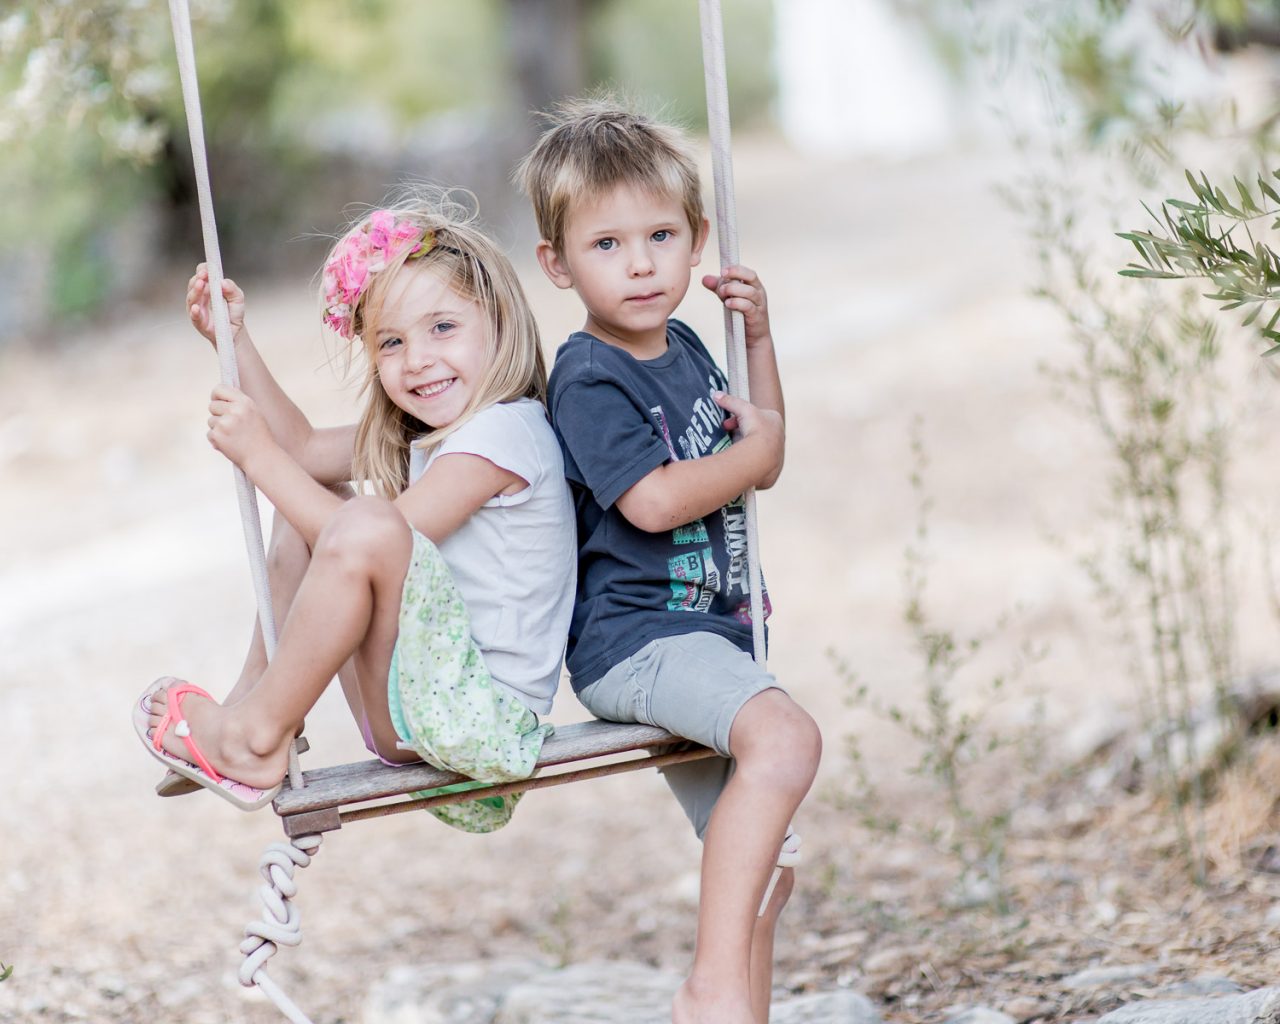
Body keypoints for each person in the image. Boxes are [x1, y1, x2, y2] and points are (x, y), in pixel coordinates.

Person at [133, 190, 576, 831]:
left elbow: (375, 542)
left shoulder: (507, 434)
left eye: (443, 328)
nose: (417, 359)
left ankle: (251, 740)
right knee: (323, 506)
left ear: (500, 323)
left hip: (479, 724)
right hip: (421, 706)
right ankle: (260, 712)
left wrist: (258, 458)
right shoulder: (438, 436)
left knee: (365, 521)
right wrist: (236, 343)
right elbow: (308, 451)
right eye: (390, 342)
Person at [516, 99, 822, 1024]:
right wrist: (756, 457)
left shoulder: (687, 345)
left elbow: (754, 445)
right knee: (788, 740)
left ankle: (734, 1009)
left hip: (708, 637)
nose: (642, 263)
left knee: (770, 872)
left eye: (660, 235)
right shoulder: (589, 375)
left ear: (696, 240)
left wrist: (758, 344)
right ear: (557, 264)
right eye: (607, 244)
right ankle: (710, 987)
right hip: (639, 642)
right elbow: (653, 500)